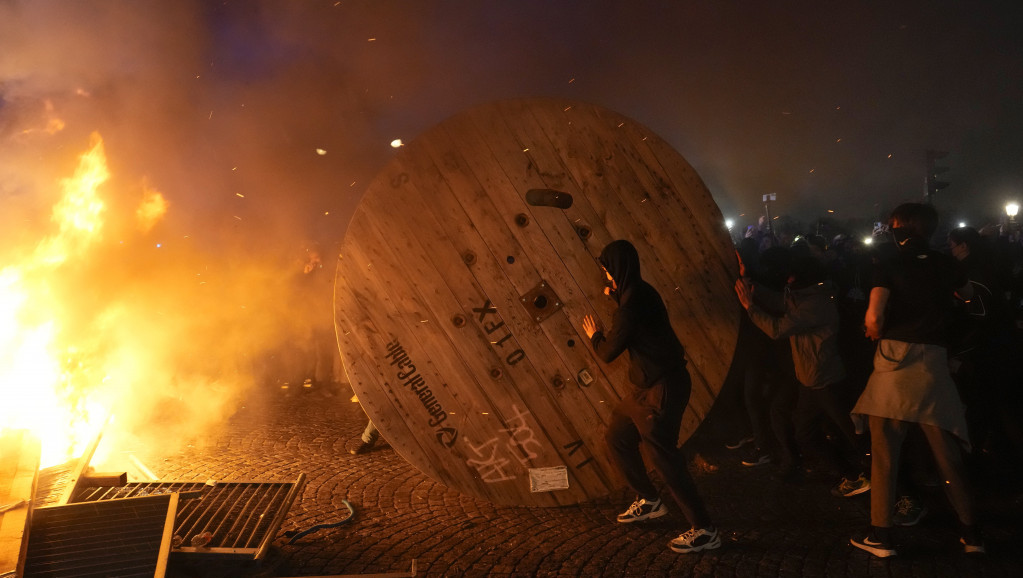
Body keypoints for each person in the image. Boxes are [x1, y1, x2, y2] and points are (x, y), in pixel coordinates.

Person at [849, 203, 983, 558]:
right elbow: (968, 296)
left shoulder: (888, 263)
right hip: (934, 364)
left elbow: (875, 316)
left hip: (895, 362)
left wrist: (872, 332)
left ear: (898, 227)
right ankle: (971, 533)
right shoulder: (947, 264)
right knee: (947, 455)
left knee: (885, 455)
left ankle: (881, 535)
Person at [581, 239, 719, 554]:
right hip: (646, 388)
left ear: (617, 270)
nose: (605, 276)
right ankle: (649, 499)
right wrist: (615, 295)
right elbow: (632, 313)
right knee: (618, 435)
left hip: (662, 388)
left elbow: (607, 353)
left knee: (663, 457)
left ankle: (705, 529)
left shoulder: (629, 308)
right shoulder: (642, 292)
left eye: (606, 270)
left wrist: (595, 335)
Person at [734, 243, 869, 493]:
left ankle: (885, 480)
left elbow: (778, 329)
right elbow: (778, 299)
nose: (787, 281)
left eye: (791, 277)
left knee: (853, 434)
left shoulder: (815, 304)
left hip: (826, 381)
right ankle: (853, 475)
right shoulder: (805, 295)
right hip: (811, 381)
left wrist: (749, 307)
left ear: (803, 279)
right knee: (805, 434)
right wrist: (748, 281)